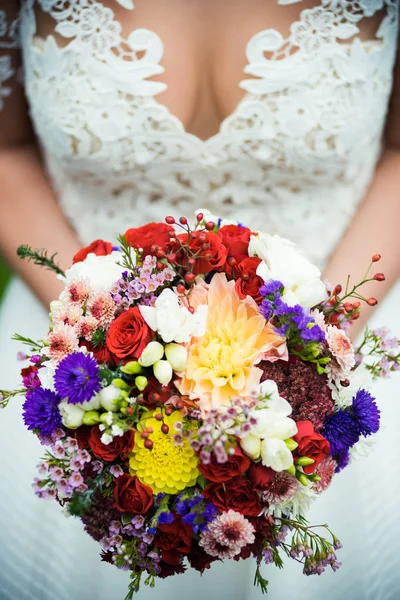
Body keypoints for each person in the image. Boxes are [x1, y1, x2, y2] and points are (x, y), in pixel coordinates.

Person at [0, 1, 399, 599]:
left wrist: (316, 353)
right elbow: (5, 152)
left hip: (346, 328)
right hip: (82, 361)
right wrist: (101, 343)